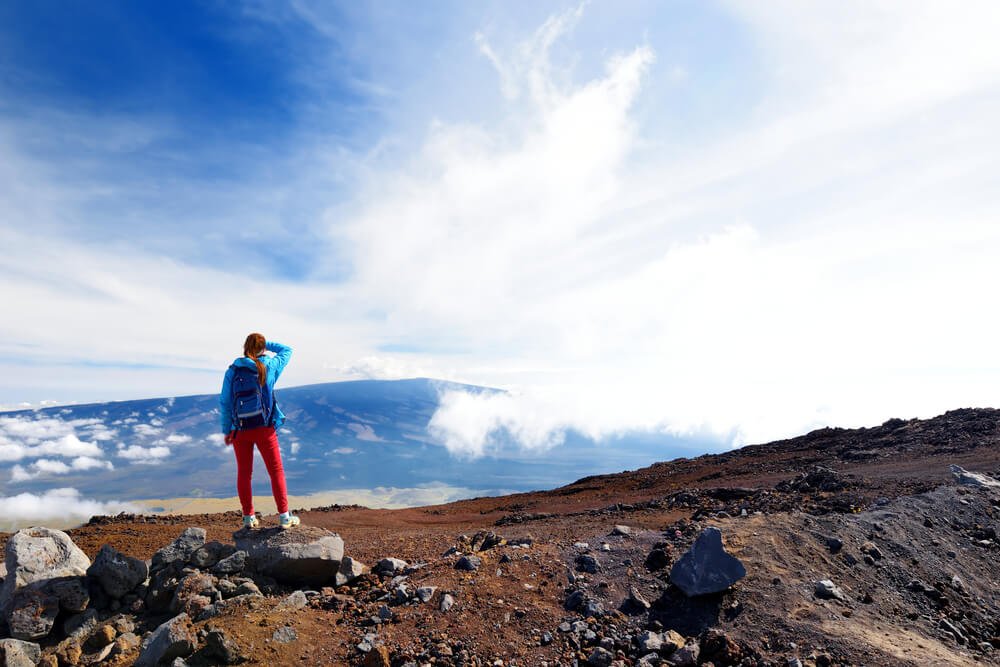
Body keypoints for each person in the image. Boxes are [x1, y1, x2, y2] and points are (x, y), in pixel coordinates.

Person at [219, 333, 300, 530]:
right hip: (265, 429)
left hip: (240, 430)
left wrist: (227, 429)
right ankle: (284, 517)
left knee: (244, 474)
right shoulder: (269, 366)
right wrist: (267, 344)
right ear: (263, 348)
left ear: (244, 347)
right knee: (276, 471)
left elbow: (225, 402)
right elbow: (287, 350)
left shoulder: (233, 370)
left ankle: (248, 518)